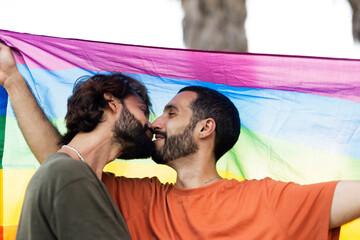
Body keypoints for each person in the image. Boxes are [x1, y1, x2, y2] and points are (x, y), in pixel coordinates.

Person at [1, 43, 360, 240]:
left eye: (171, 113)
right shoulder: (136, 197)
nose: (155, 123)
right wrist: (12, 78)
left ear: (205, 128)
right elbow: (62, 161)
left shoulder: (263, 200)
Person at [1, 43, 154, 239]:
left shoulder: (70, 171)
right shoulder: (71, 174)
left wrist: (12, 79)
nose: (150, 125)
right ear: (112, 102)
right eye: (143, 110)